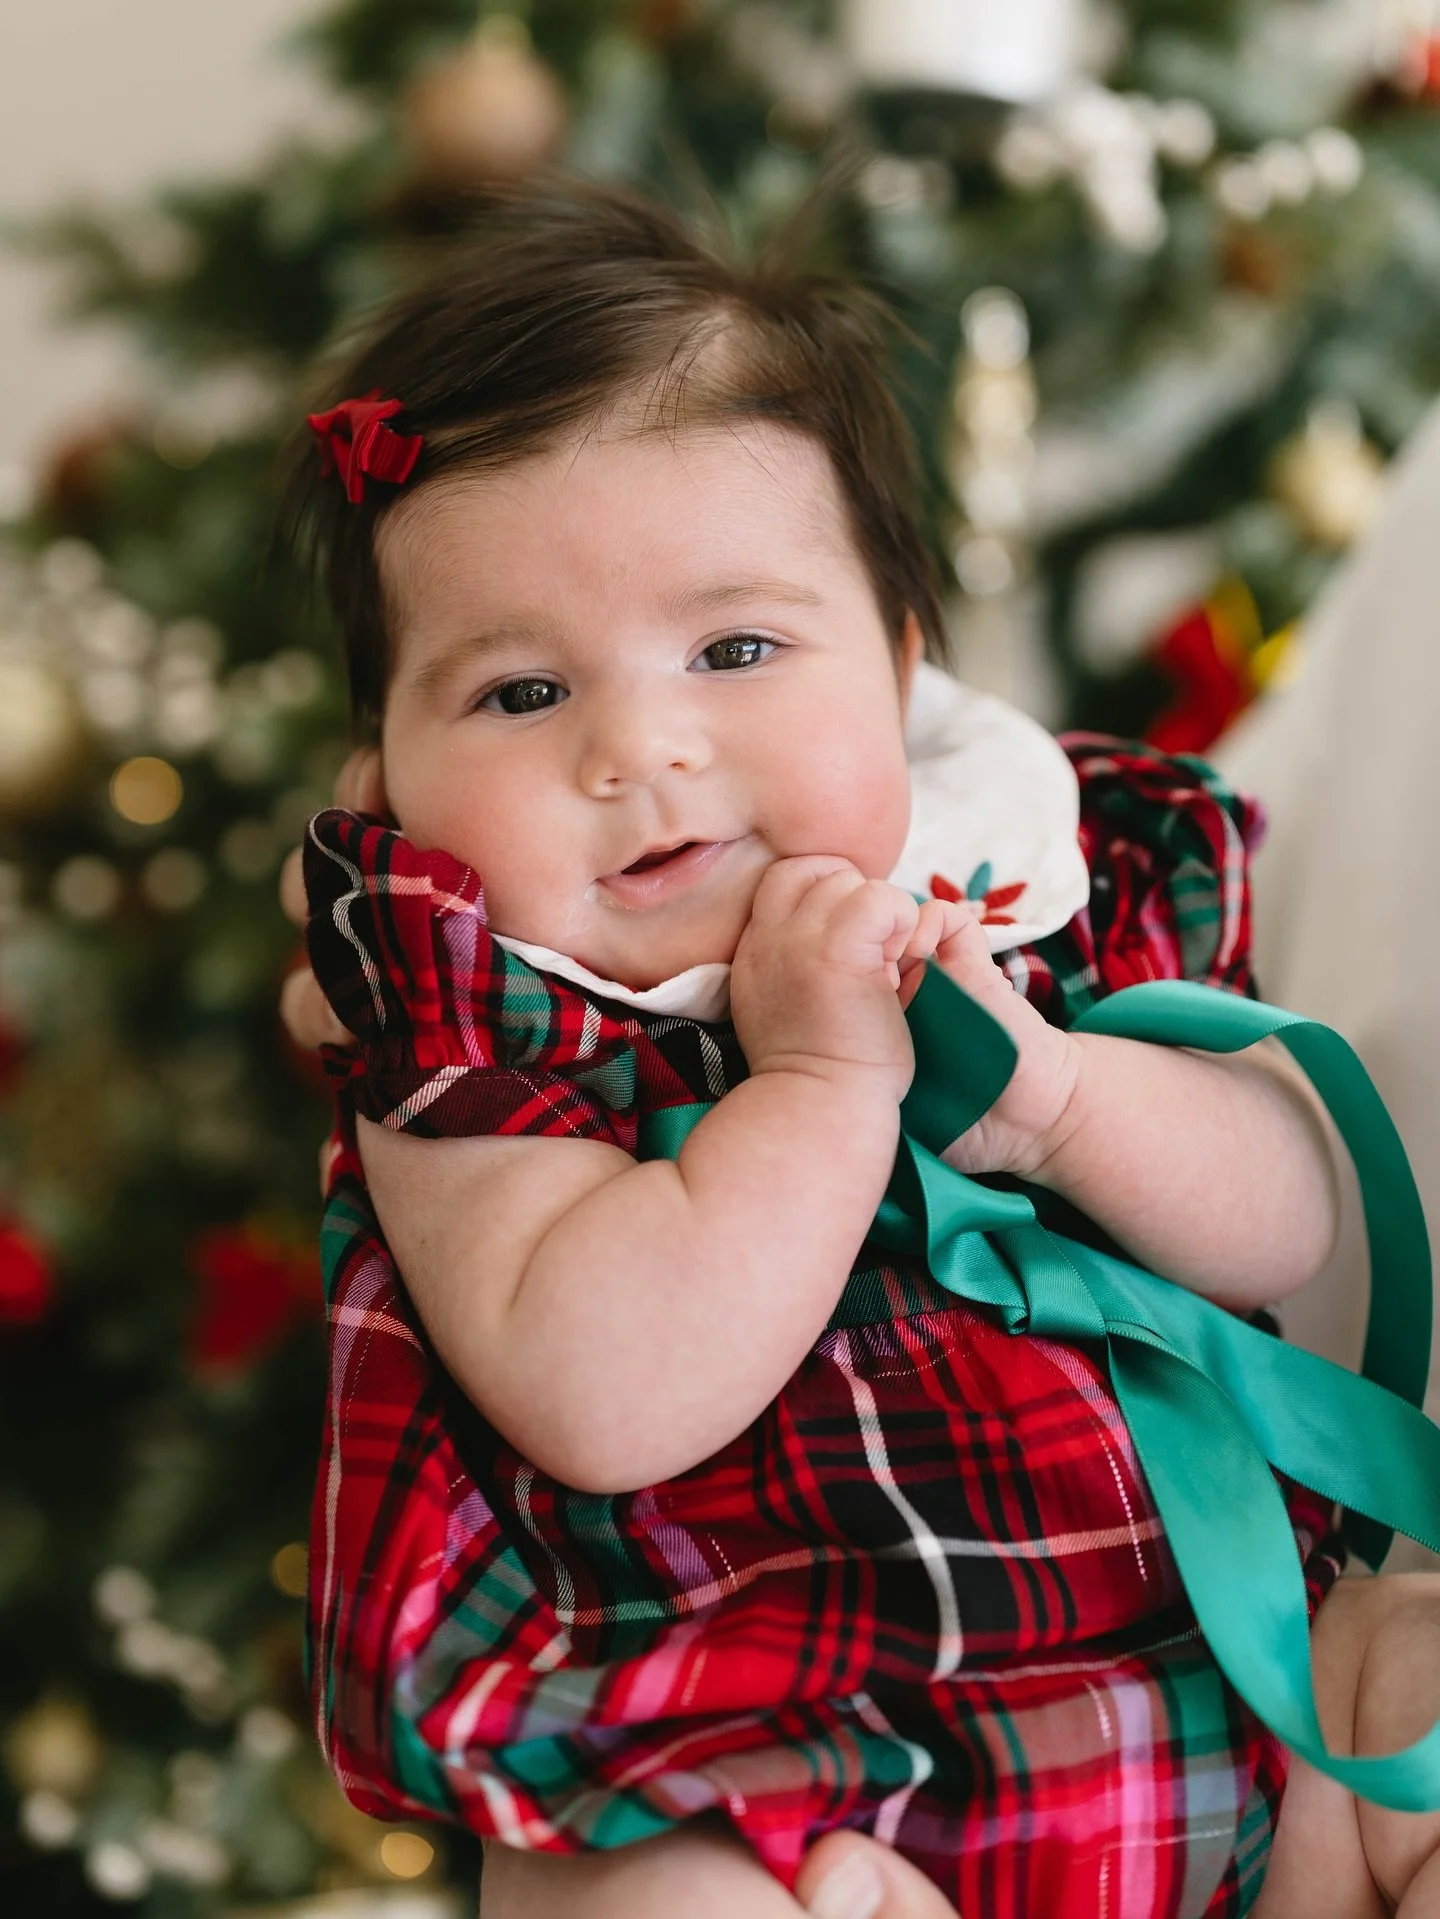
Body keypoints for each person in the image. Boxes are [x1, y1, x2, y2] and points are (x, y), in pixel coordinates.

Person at [276, 180, 1440, 1919]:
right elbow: (601, 1396)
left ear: (900, 670)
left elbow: (1300, 1223)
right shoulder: (482, 1035)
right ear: (387, 770)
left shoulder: (1034, 891)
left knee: (1421, 1666)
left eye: (735, 648)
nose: (642, 748)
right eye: (523, 693)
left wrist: (1056, 1092)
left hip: (1247, 1679)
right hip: (773, 1776)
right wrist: (822, 1089)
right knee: (620, 1898)